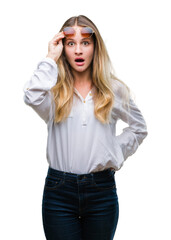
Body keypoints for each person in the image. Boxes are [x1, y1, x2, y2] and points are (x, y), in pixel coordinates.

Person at [23, 15, 148, 240]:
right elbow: (31, 96)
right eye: (71, 43)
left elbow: (139, 128)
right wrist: (50, 58)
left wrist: (115, 151)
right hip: (59, 192)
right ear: (63, 48)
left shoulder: (114, 90)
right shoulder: (52, 92)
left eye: (85, 43)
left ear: (95, 47)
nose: (78, 50)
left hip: (101, 191)